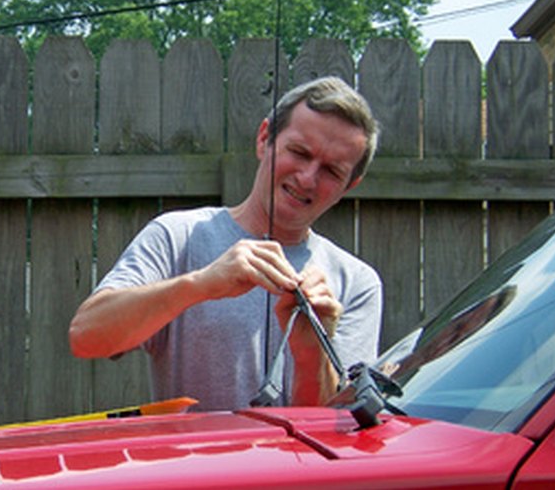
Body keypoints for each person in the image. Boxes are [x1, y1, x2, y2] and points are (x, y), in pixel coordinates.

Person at [69, 76, 383, 411]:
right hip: (195, 464)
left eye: (332, 171)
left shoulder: (357, 284)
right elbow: (86, 336)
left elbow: (338, 429)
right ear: (264, 139)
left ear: (350, 185)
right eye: (299, 152)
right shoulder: (178, 235)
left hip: (294, 466)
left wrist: (311, 354)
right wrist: (201, 284)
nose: (307, 178)